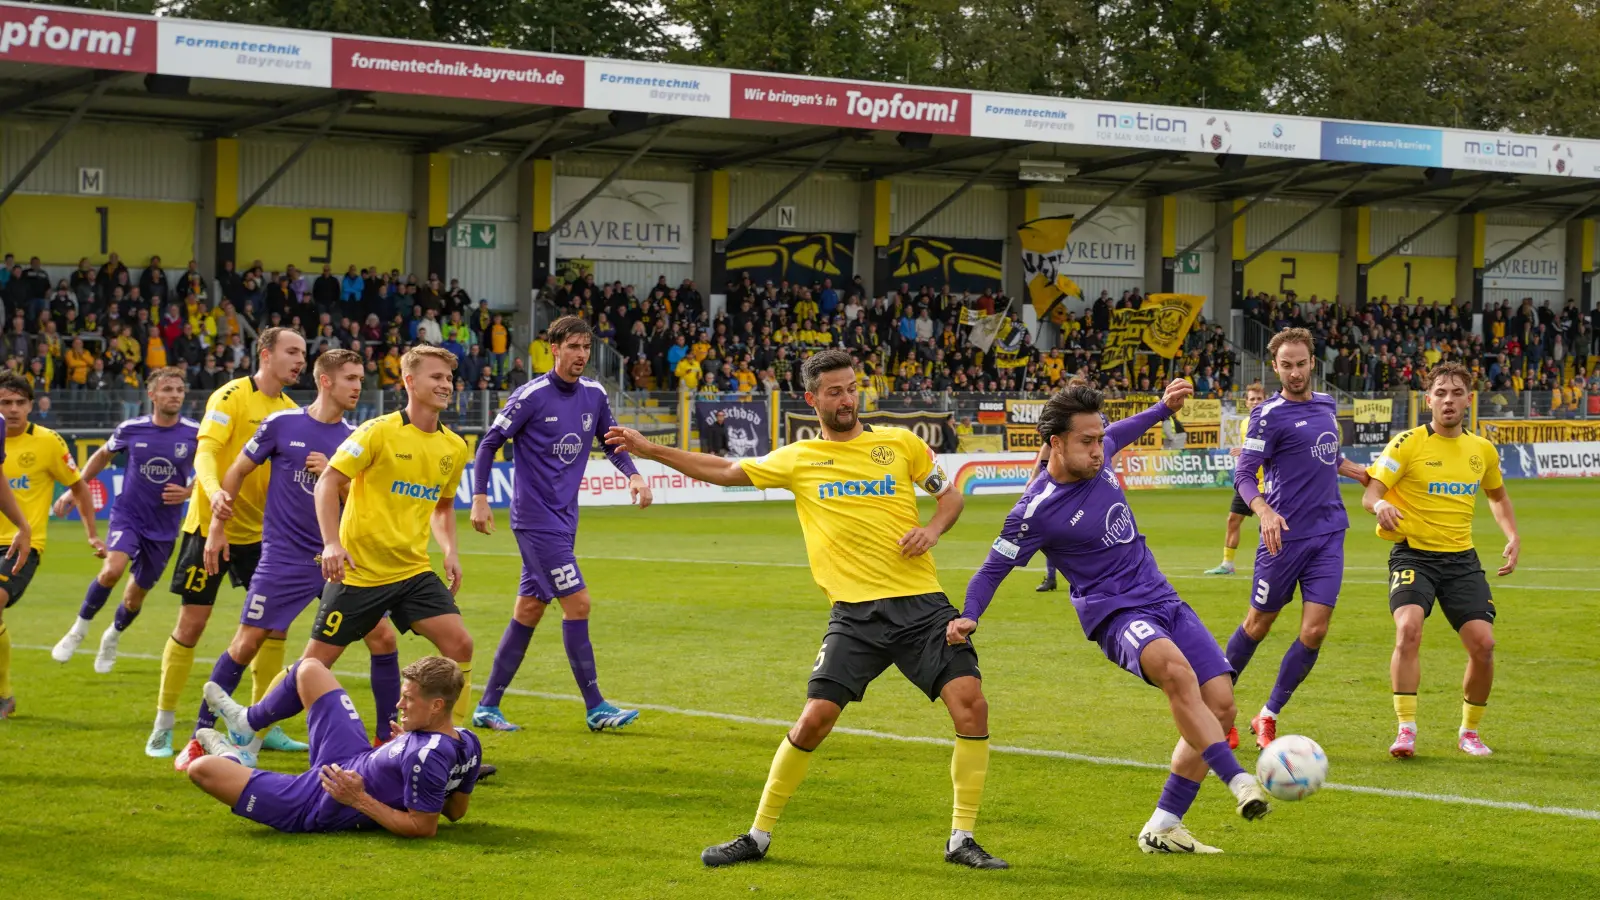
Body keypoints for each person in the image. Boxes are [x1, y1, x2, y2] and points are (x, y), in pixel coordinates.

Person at [605, 349, 1006, 870]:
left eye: (852, 387)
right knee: (815, 719)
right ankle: (758, 835)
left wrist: (931, 529)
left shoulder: (899, 444)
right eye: (835, 391)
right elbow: (726, 470)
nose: (847, 398)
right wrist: (651, 451)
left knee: (971, 704)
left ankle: (962, 840)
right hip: (855, 616)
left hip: (921, 607)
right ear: (812, 399)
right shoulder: (798, 459)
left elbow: (949, 496)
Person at [956, 381, 1271, 855]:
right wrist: (969, 616)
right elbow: (991, 569)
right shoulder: (1034, 511)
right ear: (1055, 444)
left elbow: (1128, 427)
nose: (1098, 449)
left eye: (1099, 438)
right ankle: (1239, 779)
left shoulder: (1101, 451)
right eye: (1086, 441)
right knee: (1175, 672)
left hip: (1163, 597)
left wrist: (1164, 408)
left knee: (1221, 704)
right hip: (1114, 613)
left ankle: (1163, 826)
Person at [176, 350, 401, 771]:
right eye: (350, 378)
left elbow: (361, 504)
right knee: (246, 644)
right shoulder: (282, 425)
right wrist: (218, 527)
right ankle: (199, 739)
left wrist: (334, 480)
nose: (358, 386)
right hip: (283, 559)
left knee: (383, 639)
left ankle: (386, 739)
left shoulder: (356, 437)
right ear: (326, 381)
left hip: (337, 559)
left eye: (360, 379)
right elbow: (237, 472)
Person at [469, 316, 651, 733]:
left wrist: (635, 475)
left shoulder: (594, 393)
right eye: (572, 347)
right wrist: (480, 497)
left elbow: (612, 441)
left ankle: (488, 705)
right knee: (579, 603)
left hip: (566, 518)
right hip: (535, 520)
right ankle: (596, 707)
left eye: (586, 348)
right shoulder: (530, 395)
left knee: (530, 608)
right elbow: (489, 444)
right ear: (553, 348)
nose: (581, 355)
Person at [144, 327, 305, 759]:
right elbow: (206, 454)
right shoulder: (230, 396)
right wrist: (215, 496)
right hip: (208, 528)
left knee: (274, 627)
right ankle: (163, 724)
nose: (300, 360)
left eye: (304, 354)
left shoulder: (291, 411)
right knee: (191, 626)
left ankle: (264, 724)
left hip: (262, 537)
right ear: (266, 355)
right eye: (292, 352)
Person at [309, 346, 474, 729]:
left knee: (460, 644)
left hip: (412, 570)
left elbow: (444, 506)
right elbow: (329, 480)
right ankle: (250, 722)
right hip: (361, 572)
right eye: (436, 377)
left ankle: (451, 743)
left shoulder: (455, 446)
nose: (445, 384)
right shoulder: (378, 431)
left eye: (449, 378)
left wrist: (450, 550)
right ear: (409, 382)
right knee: (313, 667)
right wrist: (332, 543)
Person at [1225, 330, 1371, 751]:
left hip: (1328, 534)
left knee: (1315, 631)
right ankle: (1217, 709)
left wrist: (1358, 472)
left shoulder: (1326, 404)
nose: (1294, 372)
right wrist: (1264, 510)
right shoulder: (1266, 416)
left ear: (1312, 364)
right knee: (1259, 623)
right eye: (1286, 365)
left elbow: (1327, 455)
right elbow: (1244, 473)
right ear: (1275, 368)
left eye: (1301, 363)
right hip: (1283, 539)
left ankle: (1267, 715)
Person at [1364, 362, 1519, 758]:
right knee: (1408, 630)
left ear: (1469, 399)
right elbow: (1371, 492)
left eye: (1456, 393)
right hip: (1413, 554)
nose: (1448, 400)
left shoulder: (1481, 449)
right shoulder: (1407, 444)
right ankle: (1406, 729)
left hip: (1461, 561)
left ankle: (1469, 731)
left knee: (1484, 645)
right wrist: (1380, 504)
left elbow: (1497, 496)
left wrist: (1512, 535)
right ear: (1428, 398)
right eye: (1441, 393)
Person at [189, 656, 481, 836]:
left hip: (321, 798)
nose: (399, 704)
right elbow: (455, 810)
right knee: (310, 669)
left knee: (202, 769)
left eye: (408, 698)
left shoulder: (427, 756)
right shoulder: (468, 740)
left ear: (436, 706)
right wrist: (403, 748)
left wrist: (358, 799)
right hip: (352, 755)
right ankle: (246, 721)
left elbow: (423, 827)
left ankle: (233, 756)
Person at [51, 369, 197, 675]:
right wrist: (72, 490)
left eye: (180, 390)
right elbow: (103, 456)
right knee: (112, 570)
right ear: (153, 395)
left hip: (165, 527)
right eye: (168, 389)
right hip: (128, 515)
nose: (175, 395)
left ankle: (112, 636)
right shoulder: (132, 428)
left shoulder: (194, 432)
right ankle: (78, 630)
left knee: (134, 597)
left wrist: (188, 491)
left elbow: (215, 471)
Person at [0, 371, 94, 716]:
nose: (12, 410)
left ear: (30, 405)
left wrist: (91, 533)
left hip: (22, 543)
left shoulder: (48, 441)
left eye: (19, 403)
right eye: (5, 402)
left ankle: (3, 695)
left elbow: (79, 485)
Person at [1203, 381, 1267, 576]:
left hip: (1268, 482)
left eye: (1259, 399)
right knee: (1232, 519)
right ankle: (1227, 564)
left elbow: (1276, 450)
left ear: (1265, 400)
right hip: (1248, 481)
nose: (1255, 402)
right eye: (1252, 399)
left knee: (1266, 524)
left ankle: (1269, 564)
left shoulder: (1272, 422)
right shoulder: (1244, 423)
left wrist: (1245, 450)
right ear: (1246, 403)